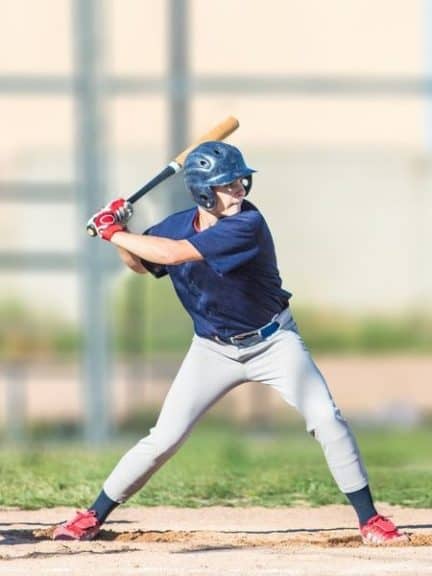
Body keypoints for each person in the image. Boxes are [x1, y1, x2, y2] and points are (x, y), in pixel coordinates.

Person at [52, 141, 407, 546]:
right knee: (163, 438)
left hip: (274, 342)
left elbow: (170, 255)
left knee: (325, 418)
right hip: (212, 349)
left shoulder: (247, 225)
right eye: (228, 184)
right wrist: (119, 234)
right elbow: (141, 263)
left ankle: (370, 519)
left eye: (241, 181)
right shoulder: (175, 225)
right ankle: (92, 515)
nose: (240, 189)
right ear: (203, 191)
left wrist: (113, 231)